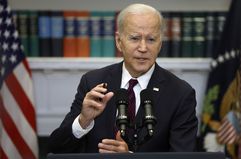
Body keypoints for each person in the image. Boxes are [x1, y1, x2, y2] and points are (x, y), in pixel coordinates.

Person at [48, 3, 198, 153]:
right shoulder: (93, 82)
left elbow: (182, 155)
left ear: (160, 44)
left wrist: (129, 157)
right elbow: (56, 149)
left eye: (151, 39)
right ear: (119, 41)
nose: (143, 48)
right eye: (134, 38)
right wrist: (83, 121)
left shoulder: (180, 93)